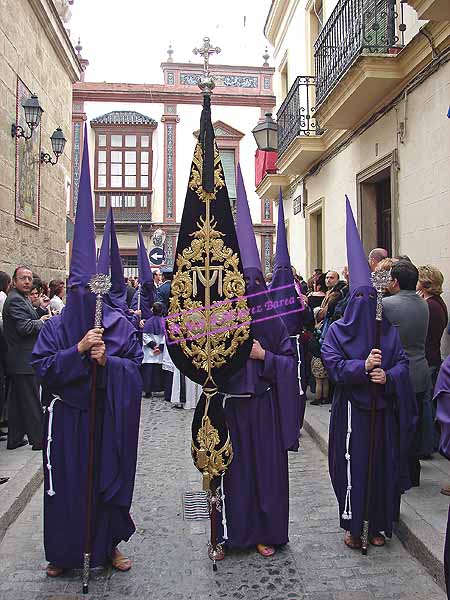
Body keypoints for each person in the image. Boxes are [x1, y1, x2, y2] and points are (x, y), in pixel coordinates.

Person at [31, 130, 143, 578]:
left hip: (103, 419)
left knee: (103, 483)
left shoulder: (114, 324)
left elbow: (134, 369)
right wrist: (77, 352)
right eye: (73, 289)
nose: (80, 296)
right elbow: (42, 369)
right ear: (69, 289)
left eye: (86, 289)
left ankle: (108, 546)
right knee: (66, 490)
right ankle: (62, 553)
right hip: (67, 423)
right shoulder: (55, 327)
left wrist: (107, 364)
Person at [322, 198, 416, 550]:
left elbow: (403, 365)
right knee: (352, 470)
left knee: (380, 470)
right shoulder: (337, 332)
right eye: (357, 298)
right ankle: (351, 525)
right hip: (351, 415)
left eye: (368, 298)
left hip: (382, 414)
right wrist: (361, 368)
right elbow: (333, 365)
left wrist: (388, 376)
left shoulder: (386, 330)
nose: (363, 305)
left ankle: (378, 524)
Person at [216, 168, 300, 558]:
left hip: (264, 406)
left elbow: (289, 361)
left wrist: (264, 356)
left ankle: (267, 531)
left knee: (265, 473)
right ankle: (236, 533)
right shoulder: (223, 317)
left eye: (255, 282)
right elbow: (206, 358)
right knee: (235, 474)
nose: (249, 289)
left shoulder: (274, 320)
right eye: (242, 282)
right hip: (233, 405)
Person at [384, 260, 432, 482]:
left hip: (398, 373)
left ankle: (400, 472)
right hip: (420, 371)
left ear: (394, 281)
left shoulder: (387, 305)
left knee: (397, 427)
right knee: (415, 424)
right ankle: (414, 472)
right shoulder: (424, 304)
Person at [2, 267, 50, 450]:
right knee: (31, 401)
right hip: (22, 359)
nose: (27, 282)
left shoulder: (21, 298)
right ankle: (39, 440)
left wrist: (39, 311)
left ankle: (14, 438)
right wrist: (42, 322)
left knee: (16, 403)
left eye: (29, 278)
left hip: (20, 359)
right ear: (14, 281)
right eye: (23, 278)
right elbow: (24, 327)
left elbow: (28, 318)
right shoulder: (15, 300)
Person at [141, 301, 165, 398]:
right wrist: (160, 347)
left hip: (150, 351)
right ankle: (159, 388)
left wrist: (153, 346)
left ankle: (148, 390)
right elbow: (165, 336)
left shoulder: (148, 322)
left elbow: (145, 335)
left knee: (149, 372)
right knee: (157, 371)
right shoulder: (164, 322)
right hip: (159, 350)